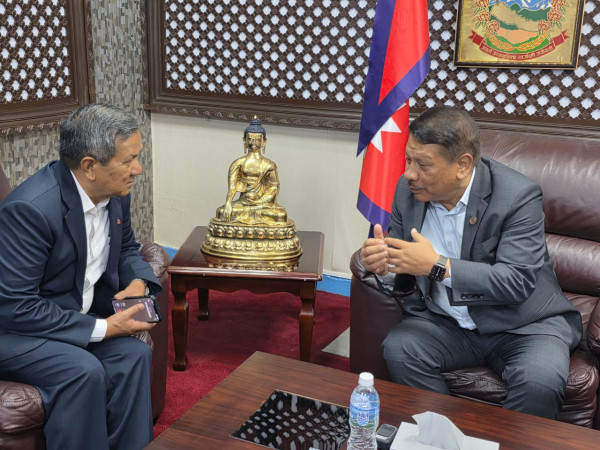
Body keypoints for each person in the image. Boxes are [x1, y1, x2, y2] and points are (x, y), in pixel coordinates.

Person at [359, 105, 582, 419]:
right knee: (400, 349)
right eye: (408, 160)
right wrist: (383, 263)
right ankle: (444, 436)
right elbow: (402, 265)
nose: (410, 173)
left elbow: (516, 281)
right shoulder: (406, 191)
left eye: (423, 164)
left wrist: (437, 265)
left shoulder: (517, 196)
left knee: (539, 382)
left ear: (462, 165)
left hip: (524, 325)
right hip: (447, 323)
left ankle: (505, 442)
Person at [0, 103, 161, 449]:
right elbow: (16, 307)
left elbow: (127, 248)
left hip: (70, 319)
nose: (138, 169)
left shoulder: (114, 194)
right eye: (129, 160)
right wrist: (104, 328)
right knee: (81, 370)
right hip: (15, 332)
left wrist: (138, 282)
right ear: (90, 166)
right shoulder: (30, 211)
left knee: (134, 356)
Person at [216, 116, 288, 225]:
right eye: (250, 139)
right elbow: (232, 187)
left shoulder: (269, 164)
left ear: (264, 141)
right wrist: (228, 203)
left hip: (262, 204)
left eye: (257, 139)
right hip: (243, 203)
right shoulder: (238, 163)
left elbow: (273, 187)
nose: (253, 142)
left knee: (280, 215)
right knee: (221, 212)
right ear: (244, 140)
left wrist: (261, 201)